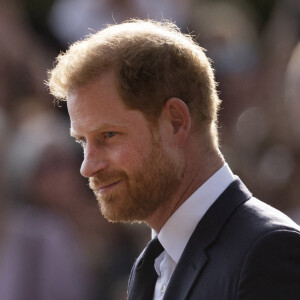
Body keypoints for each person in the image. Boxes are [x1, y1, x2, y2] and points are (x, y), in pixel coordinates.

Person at [46, 19, 300, 300]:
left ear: (176, 122)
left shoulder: (267, 251)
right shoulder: (152, 267)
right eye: (82, 141)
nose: (88, 166)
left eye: (108, 135)